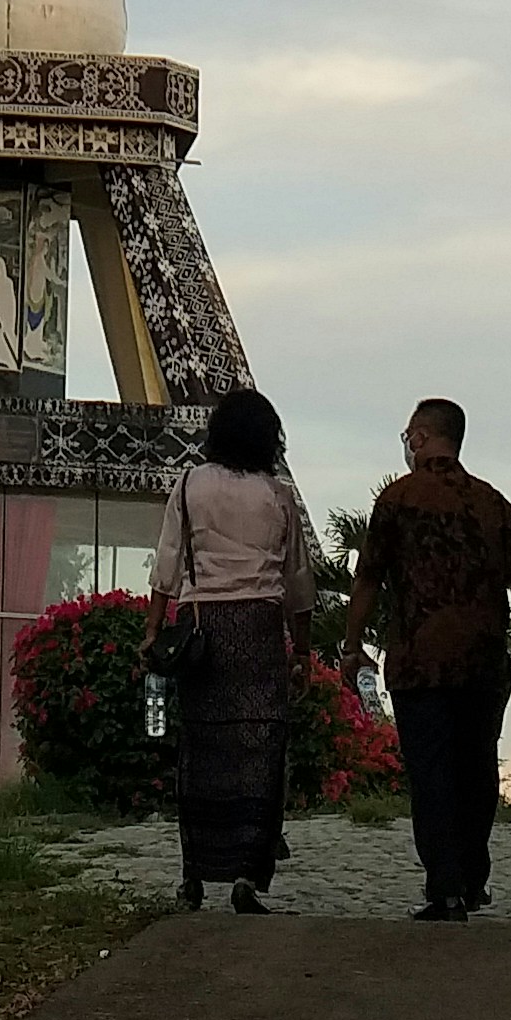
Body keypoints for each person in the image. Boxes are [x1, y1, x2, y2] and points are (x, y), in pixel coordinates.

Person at [354, 398, 511, 923]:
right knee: (476, 770)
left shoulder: (396, 501)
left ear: (420, 437)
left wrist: (351, 643)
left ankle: (444, 886)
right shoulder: (492, 503)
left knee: (431, 773)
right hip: (483, 659)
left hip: (418, 658)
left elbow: (368, 580)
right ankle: (472, 876)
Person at [152, 385, 320, 912]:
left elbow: (167, 563)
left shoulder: (189, 485)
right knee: (261, 745)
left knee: (201, 748)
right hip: (261, 627)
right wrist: (303, 652)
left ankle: (194, 873)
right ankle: (249, 870)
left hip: (203, 626)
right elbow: (298, 583)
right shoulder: (278, 496)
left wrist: (152, 631)